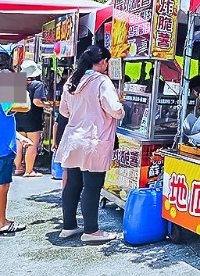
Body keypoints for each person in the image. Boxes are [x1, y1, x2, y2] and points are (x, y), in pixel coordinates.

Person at [54, 46, 124, 243]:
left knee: (72, 185)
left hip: (73, 139)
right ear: (103, 62)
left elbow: (64, 111)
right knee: (92, 187)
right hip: (93, 140)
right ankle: (91, 231)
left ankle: (68, 226)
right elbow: (114, 109)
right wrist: (122, 109)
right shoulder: (102, 81)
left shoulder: (72, 80)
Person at [0, 63, 32, 235]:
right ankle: (1, 223)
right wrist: (24, 91)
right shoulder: (5, 99)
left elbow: (0, 125)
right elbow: (26, 107)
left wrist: (20, 137)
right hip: (2, 150)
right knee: (2, 186)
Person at [13, 60, 48, 177]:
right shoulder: (38, 85)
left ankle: (18, 168)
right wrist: (47, 105)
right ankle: (29, 170)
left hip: (17, 117)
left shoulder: (14, 83)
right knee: (32, 145)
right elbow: (36, 102)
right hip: (33, 118)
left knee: (18, 144)